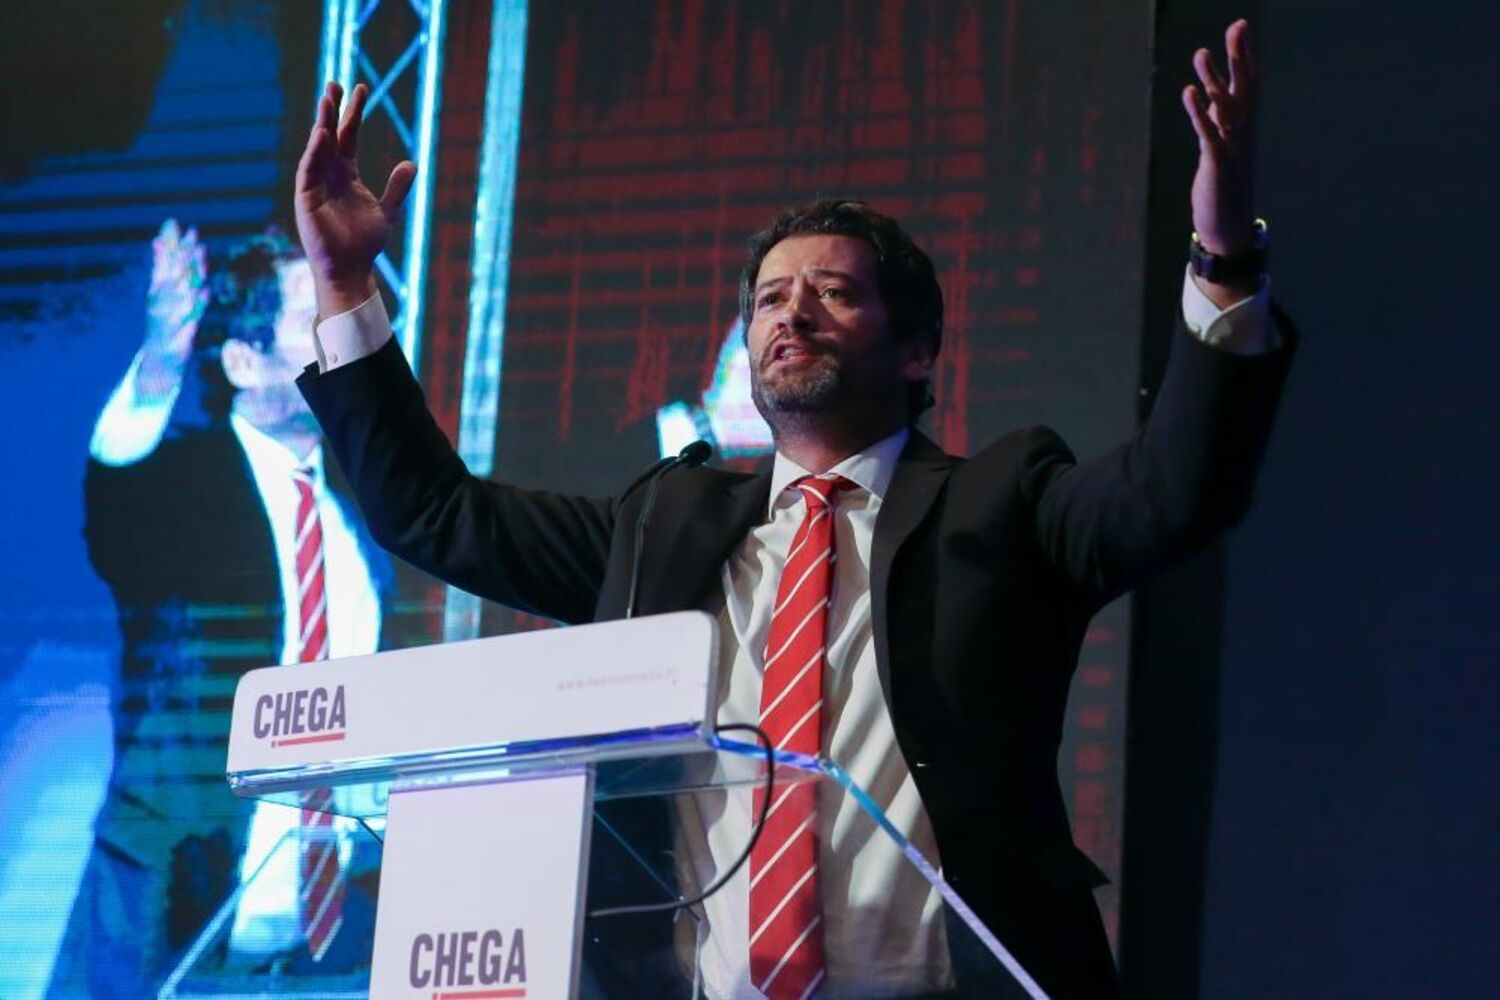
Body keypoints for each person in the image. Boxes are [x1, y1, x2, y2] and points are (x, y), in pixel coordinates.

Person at [293, 19, 1290, 1000]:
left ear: (917, 352)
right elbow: (432, 512)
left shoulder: (1002, 505)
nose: (793, 313)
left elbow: (1178, 490)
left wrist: (1223, 261)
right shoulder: (663, 527)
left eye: (834, 293)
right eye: (770, 300)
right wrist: (343, 288)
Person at [54, 224, 392, 996]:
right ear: (244, 363)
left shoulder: (365, 517)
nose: (343, 341)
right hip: (172, 905)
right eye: (314, 320)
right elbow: (117, 501)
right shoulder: (187, 489)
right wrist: (161, 360)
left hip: (326, 930)